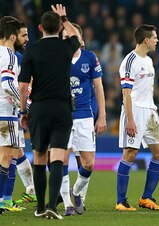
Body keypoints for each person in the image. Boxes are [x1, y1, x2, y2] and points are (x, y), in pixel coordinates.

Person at [18, 4, 80, 220]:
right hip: (62, 108)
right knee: (58, 156)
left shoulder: (32, 50)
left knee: (39, 156)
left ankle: (40, 207)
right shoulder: (66, 47)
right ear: (59, 27)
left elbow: (23, 86)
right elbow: (77, 37)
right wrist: (65, 18)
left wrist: (23, 110)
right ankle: (53, 206)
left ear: (40, 27)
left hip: (39, 108)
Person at [116, 24, 159, 211]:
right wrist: (130, 119)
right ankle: (121, 201)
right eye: (154, 37)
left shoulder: (149, 61)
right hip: (134, 110)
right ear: (146, 40)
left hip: (150, 111)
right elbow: (126, 93)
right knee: (130, 153)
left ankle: (146, 198)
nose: (157, 40)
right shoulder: (130, 61)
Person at [60, 23, 106, 216]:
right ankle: (67, 204)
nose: (68, 39)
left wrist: (102, 115)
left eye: (72, 35)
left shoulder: (90, 57)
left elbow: (99, 87)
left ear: (80, 38)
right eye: (64, 36)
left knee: (88, 164)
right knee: (62, 160)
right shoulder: (56, 57)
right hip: (62, 117)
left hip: (85, 116)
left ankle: (76, 191)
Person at [0, 16, 36, 212]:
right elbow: (7, 85)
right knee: (8, 158)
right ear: (12, 37)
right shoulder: (10, 56)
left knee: (9, 155)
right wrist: (26, 106)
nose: (26, 39)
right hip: (7, 112)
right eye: (23, 35)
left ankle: (5, 200)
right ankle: (4, 200)